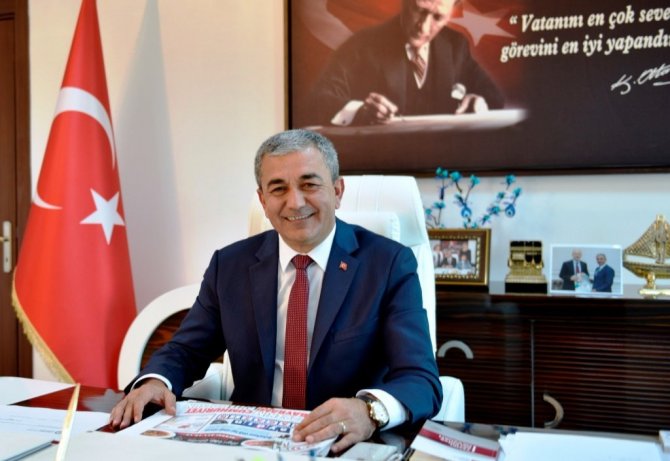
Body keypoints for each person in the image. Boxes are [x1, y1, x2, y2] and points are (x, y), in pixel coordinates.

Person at [109, 129, 442, 454]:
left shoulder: (387, 264)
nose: (295, 202)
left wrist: (369, 411)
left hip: (343, 445)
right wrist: (155, 382)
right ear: (263, 201)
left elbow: (420, 379)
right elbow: (186, 350)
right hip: (251, 444)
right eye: (278, 188)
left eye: (309, 184)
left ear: (338, 191)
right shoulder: (230, 265)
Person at [307, 0, 504, 126]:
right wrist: (360, 110)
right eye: (419, 10)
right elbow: (318, 100)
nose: (423, 27)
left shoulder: (455, 45)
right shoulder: (362, 45)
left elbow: (494, 96)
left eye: (438, 17)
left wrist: (479, 102)